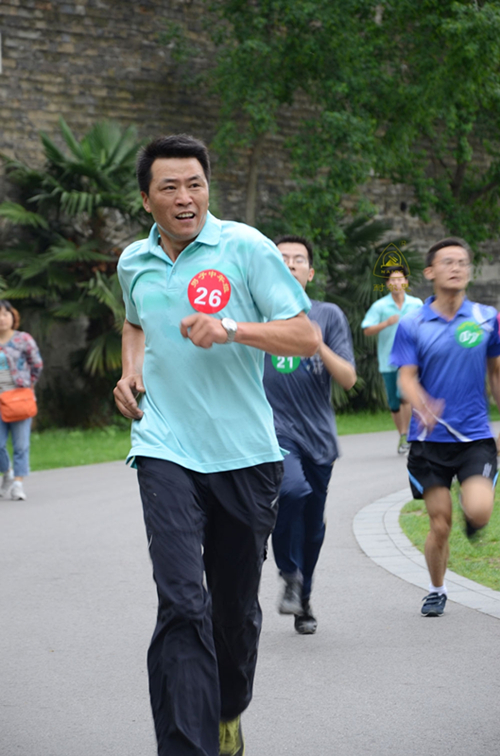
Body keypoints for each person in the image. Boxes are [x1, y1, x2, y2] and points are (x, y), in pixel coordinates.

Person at [113, 134, 319, 756]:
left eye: (195, 184)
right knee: (181, 603)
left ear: (208, 189)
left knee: (234, 614)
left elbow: (304, 336)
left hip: (245, 456)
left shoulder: (246, 247)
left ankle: (228, 709)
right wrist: (131, 372)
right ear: (146, 199)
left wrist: (230, 328)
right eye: (169, 187)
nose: (185, 197)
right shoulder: (133, 261)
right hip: (164, 446)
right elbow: (134, 321)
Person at [390, 238, 500, 617]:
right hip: (428, 442)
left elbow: (496, 373)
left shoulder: (486, 318)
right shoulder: (413, 323)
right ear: (430, 272)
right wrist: (421, 401)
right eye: (448, 262)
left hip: (474, 437)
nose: (456, 268)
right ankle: (437, 589)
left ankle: (473, 514)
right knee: (440, 524)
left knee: (480, 512)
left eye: (462, 262)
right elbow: (406, 377)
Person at [262, 235, 356, 634]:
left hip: (318, 438)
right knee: (291, 491)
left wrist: (317, 345)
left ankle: (303, 597)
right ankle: (288, 572)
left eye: (298, 259)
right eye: (281, 258)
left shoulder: (328, 316)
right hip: (273, 432)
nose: (289, 264)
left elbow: (348, 378)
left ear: (310, 272)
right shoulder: (257, 315)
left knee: (313, 525)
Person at [362, 265, 422, 453]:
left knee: (405, 395)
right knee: (394, 403)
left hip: (409, 359)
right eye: (393, 280)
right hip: (388, 360)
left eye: (400, 279)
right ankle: (402, 435)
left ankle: (407, 435)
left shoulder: (416, 304)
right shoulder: (380, 306)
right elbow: (367, 329)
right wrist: (386, 323)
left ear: (406, 282)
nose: (397, 283)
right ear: (388, 284)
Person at [0, 300, 43, 501]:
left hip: (18, 398)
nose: (1, 319)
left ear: (13, 316)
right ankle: (7, 472)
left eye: (5, 314)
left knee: (21, 445)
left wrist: (27, 386)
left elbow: (37, 365)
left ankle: (18, 484)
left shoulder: (23, 339)